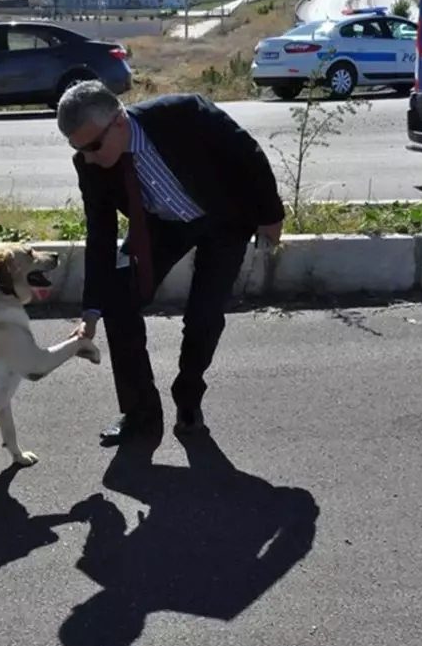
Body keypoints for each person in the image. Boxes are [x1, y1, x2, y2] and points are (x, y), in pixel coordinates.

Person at [57, 80, 285, 447]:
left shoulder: (184, 114)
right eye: (79, 149)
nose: (88, 157)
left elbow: (248, 155)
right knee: (119, 301)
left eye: (93, 146)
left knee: (204, 316)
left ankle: (189, 395)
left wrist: (271, 217)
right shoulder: (91, 162)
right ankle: (140, 413)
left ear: (118, 121)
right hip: (160, 226)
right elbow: (99, 234)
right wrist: (90, 311)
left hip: (223, 219)